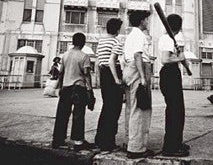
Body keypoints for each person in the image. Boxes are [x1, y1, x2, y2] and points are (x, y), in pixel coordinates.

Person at [52, 32, 95, 151]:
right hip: (78, 88)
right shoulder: (84, 56)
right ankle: (78, 141)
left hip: (66, 87)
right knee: (78, 115)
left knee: (62, 114)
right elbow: (86, 74)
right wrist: (90, 90)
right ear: (83, 42)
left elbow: (61, 73)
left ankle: (58, 140)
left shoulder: (65, 55)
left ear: (73, 42)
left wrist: (59, 87)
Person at [123, 11, 154, 159]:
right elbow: (137, 55)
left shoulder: (132, 35)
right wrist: (142, 77)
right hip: (138, 69)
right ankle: (136, 148)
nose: (147, 22)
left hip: (131, 69)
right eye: (146, 20)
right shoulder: (138, 35)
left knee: (132, 108)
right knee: (140, 109)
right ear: (142, 21)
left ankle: (131, 143)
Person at [158, 14, 190, 157]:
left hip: (171, 74)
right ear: (179, 26)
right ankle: (170, 147)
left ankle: (176, 142)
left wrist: (180, 59)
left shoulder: (169, 39)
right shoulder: (168, 39)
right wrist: (179, 58)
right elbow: (165, 59)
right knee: (175, 111)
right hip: (169, 74)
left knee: (177, 110)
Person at [94, 18, 124, 152]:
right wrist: (117, 79)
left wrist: (100, 79)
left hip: (104, 75)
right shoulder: (116, 41)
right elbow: (112, 62)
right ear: (117, 29)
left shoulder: (101, 41)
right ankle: (108, 141)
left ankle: (100, 139)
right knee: (114, 109)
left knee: (106, 107)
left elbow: (97, 62)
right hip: (112, 74)